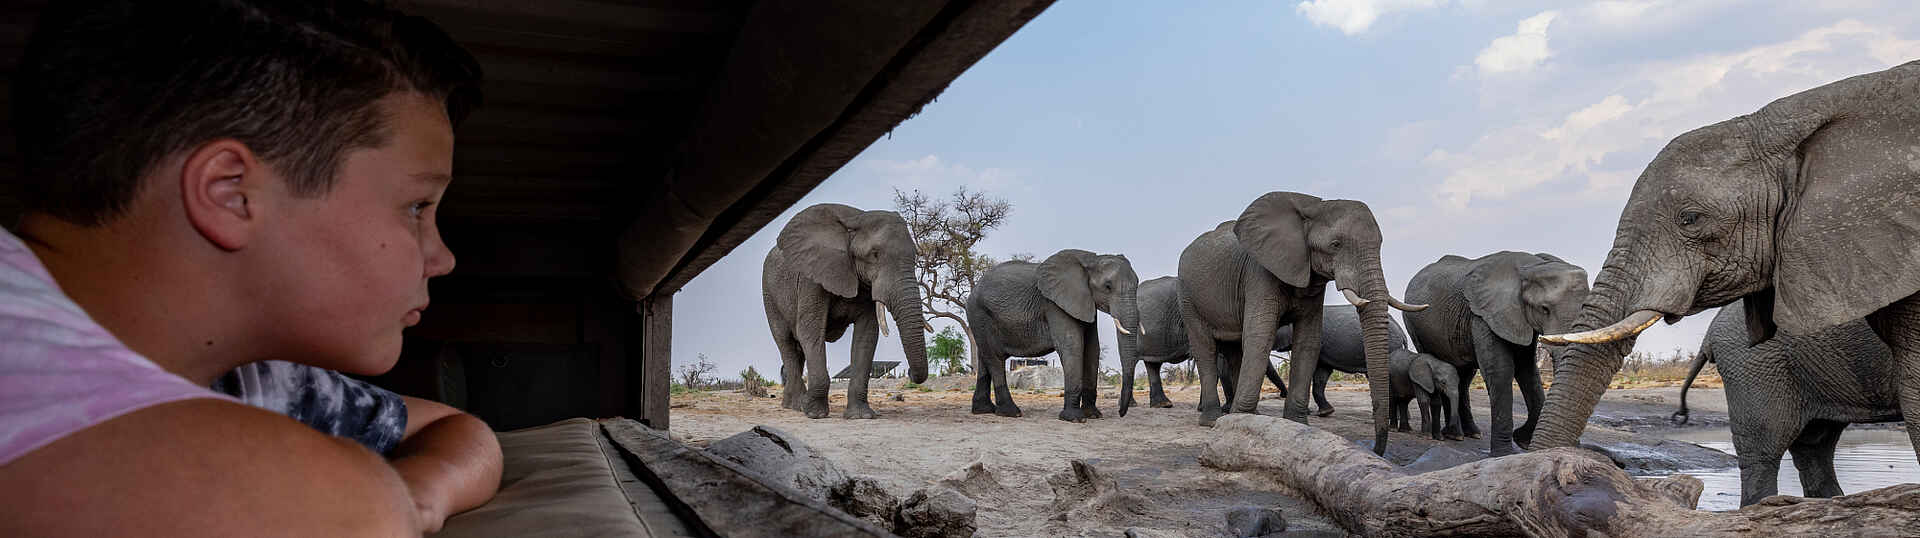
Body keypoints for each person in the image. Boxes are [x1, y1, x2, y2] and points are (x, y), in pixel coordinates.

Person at [0, 1, 501, 535]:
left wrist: (419, 494)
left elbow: (452, 428)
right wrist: (370, 499)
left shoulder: (250, 377)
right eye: (417, 207)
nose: (442, 258)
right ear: (231, 194)